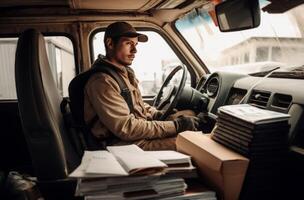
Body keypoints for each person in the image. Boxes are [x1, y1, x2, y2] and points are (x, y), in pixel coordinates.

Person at [83, 21, 203, 150]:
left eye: (135, 44)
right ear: (110, 43)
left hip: (134, 136)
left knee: (189, 114)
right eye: (128, 43)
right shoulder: (102, 81)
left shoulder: (122, 72)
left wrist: (156, 114)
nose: (135, 50)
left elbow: (135, 104)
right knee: (192, 143)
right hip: (122, 144)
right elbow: (126, 128)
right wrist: (176, 126)